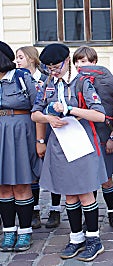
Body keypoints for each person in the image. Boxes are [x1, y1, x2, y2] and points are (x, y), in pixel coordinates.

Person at [31, 43, 107, 261]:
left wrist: (70, 110)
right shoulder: (48, 84)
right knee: (69, 193)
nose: (53, 71)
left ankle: (94, 239)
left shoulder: (82, 82)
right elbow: (35, 114)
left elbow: (99, 115)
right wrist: (48, 118)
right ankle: (76, 238)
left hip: (81, 143)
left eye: (56, 67)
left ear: (67, 61)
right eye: (49, 68)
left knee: (84, 192)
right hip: (60, 145)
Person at [72, 46, 113, 231]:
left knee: (106, 179)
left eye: (84, 61)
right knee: (89, 178)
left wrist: (112, 136)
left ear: (94, 62)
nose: (80, 65)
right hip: (85, 136)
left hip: (104, 134)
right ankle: (89, 215)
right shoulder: (75, 83)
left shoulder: (106, 81)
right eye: (77, 61)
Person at [0, 41, 45, 252]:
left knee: (21, 184)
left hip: (20, 134)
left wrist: (39, 140)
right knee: (2, 186)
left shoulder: (20, 77)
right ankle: (9, 231)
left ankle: (25, 231)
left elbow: (37, 109)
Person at [15, 46, 62, 230]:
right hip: (28, 129)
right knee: (32, 171)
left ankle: (55, 209)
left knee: (52, 169)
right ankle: (34, 209)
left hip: (49, 128)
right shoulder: (16, 79)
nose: (17, 61)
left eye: (20, 57)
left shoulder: (45, 79)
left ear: (32, 59)